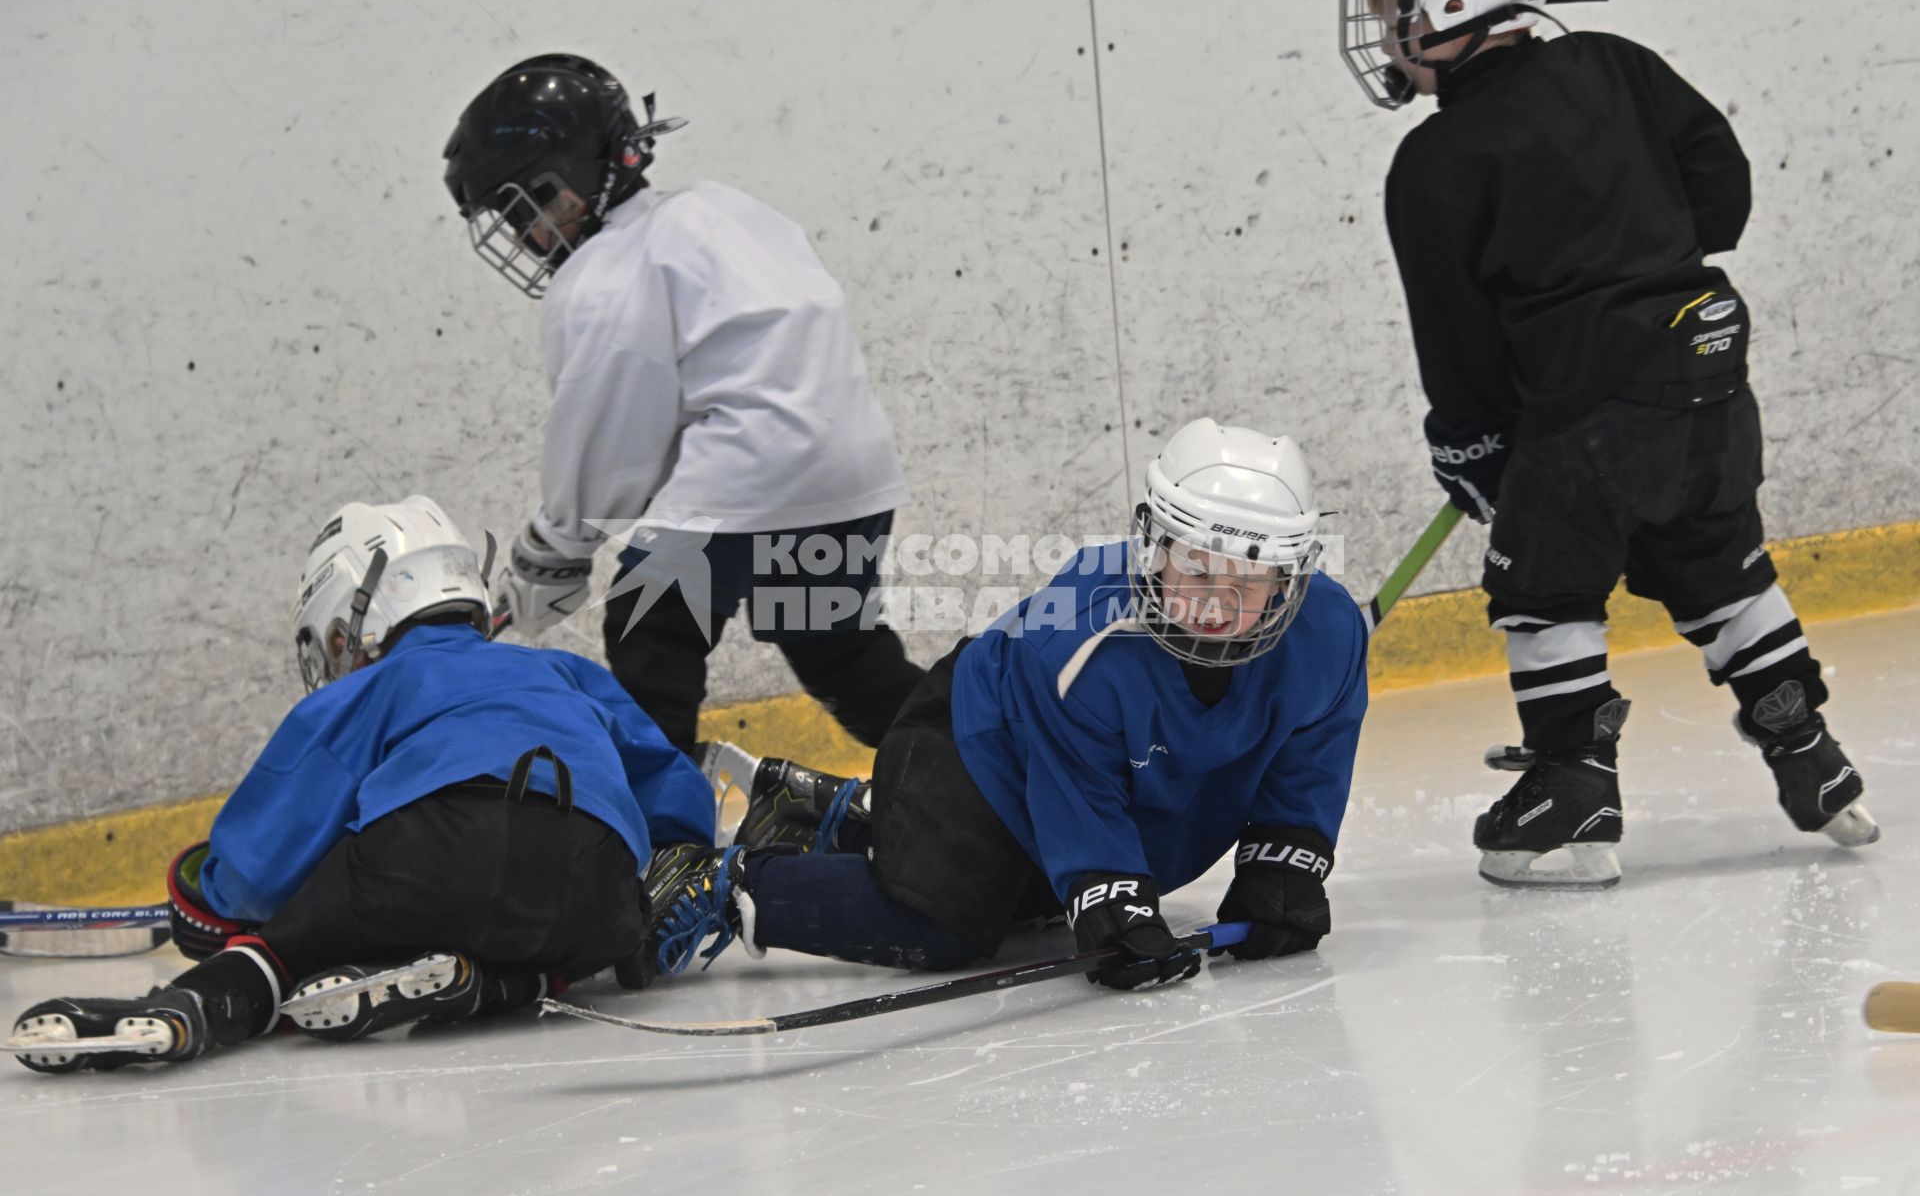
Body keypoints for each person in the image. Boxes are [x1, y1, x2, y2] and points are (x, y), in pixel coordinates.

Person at [1337, 0, 1878, 889]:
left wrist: (1473, 444)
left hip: (1586, 414)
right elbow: (1722, 181)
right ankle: (1812, 755)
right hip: (1707, 371)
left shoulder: (1434, 162)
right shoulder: (1618, 64)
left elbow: (1457, 337)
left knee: (1542, 584)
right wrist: (1645, 264)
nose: (1386, 29)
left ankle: (1572, 797)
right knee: (1719, 563)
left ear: (1456, 10)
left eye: (1399, 7)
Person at [628, 419, 1368, 992]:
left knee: (1023, 908)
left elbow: (1309, 764)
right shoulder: (1082, 640)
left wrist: (1285, 864)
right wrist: (1108, 893)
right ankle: (721, 880)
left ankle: (828, 815)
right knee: (945, 920)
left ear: (1291, 578)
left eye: (1247, 580)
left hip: (1084, 790)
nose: (1215, 603)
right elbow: (1077, 791)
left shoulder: (1329, 636)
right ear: (1154, 545)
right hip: (977, 744)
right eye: (1196, 568)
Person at [6, 497, 714, 1073]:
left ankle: (208, 999)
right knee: (577, 931)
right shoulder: (563, 672)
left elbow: (260, 865)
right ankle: (508, 981)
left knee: (305, 924)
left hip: (434, 850)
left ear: (348, 625)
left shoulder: (378, 683)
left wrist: (208, 896)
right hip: (596, 877)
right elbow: (679, 797)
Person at [441, 53, 922, 757]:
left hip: (753, 469)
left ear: (566, 184)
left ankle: (667, 847)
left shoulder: (602, 276)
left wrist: (556, 548)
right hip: (852, 472)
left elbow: (615, 439)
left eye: (523, 210)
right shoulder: (721, 209)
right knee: (842, 655)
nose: (524, 237)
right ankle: (992, 781)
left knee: (650, 633)